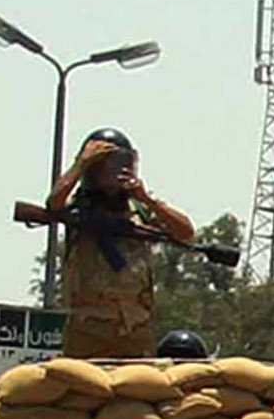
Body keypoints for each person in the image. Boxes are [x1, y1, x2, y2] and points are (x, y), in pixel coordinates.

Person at [46, 129, 195, 361]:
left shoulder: (139, 211)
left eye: (122, 166)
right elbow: (53, 203)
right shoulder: (77, 208)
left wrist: (147, 199)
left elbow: (185, 231)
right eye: (106, 168)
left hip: (135, 328)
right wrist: (79, 165)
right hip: (87, 329)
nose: (115, 176)